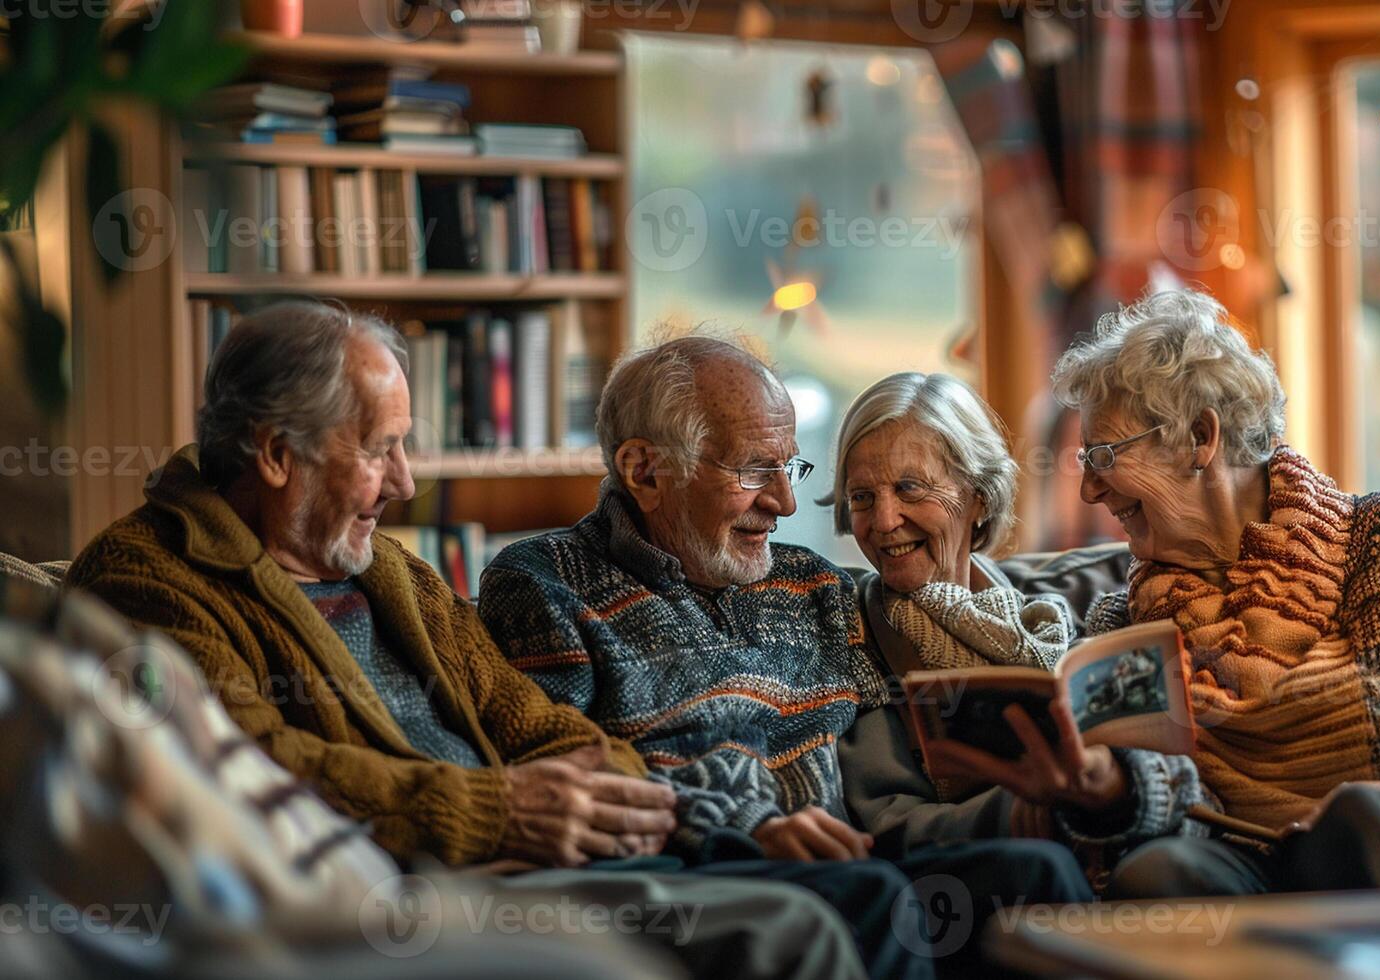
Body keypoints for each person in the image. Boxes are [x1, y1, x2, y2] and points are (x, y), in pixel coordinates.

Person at [66, 301, 870, 979]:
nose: (408, 482)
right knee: (795, 928)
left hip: (541, 867)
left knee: (855, 894)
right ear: (279, 455)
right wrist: (495, 811)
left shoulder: (396, 578)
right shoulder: (148, 583)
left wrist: (612, 788)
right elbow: (249, 772)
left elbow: (532, 718)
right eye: (381, 449)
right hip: (410, 897)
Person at [477, 336, 1093, 975]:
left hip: (842, 858)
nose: (786, 503)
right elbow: (568, 772)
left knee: (1036, 871)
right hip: (700, 866)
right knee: (876, 898)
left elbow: (900, 724)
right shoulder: (544, 582)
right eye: (752, 471)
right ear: (644, 471)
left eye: (789, 468)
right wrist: (750, 823)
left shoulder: (813, 587)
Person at [996, 287, 1380, 899]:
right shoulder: (1123, 626)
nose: (1089, 490)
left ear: (1200, 436)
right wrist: (1108, 793)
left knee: (1363, 818)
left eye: (1104, 455)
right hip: (1238, 873)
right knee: (1157, 873)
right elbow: (1137, 824)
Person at [824, 372, 1210, 886]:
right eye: (862, 497)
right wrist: (1018, 813)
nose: (884, 520)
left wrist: (1112, 786)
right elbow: (888, 825)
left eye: (909, 488)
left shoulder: (1050, 624)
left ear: (978, 497)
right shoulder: (857, 635)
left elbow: (1168, 778)